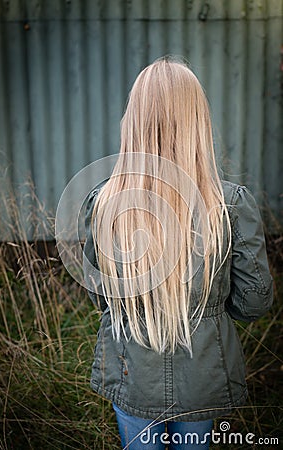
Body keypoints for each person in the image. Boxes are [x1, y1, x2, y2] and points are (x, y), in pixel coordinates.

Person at [83, 57, 273, 449]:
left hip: (131, 371)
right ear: (198, 121)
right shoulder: (232, 204)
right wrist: (209, 311)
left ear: (134, 120)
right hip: (204, 372)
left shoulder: (103, 203)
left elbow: (99, 296)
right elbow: (255, 302)